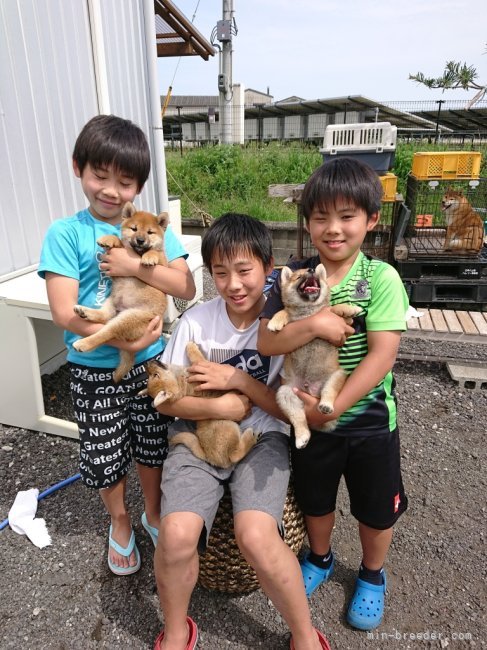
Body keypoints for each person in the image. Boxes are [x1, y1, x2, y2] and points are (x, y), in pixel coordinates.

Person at [153, 213, 331, 650]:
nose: (233, 284)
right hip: (197, 435)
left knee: (256, 534)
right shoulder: (197, 322)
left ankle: (304, 635)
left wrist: (240, 385)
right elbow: (167, 397)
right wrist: (224, 406)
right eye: (220, 272)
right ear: (209, 273)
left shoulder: (285, 327)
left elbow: (290, 410)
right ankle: (177, 630)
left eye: (245, 270)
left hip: (263, 438)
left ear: (269, 268)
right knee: (176, 535)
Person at [38, 114, 196, 575]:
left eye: (124, 181)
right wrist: (122, 333)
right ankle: (120, 521)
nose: (110, 189)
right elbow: (64, 311)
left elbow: (184, 286)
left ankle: (151, 511)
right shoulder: (65, 234)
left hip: (149, 362)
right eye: (99, 176)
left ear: (138, 187)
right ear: (78, 168)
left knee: (151, 444)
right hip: (91, 369)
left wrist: (132, 264)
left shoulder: (152, 231)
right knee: (105, 453)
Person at [258, 157, 409, 632]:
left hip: (367, 423)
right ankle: (320, 558)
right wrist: (316, 323)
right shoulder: (292, 276)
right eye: (321, 217)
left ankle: (371, 573)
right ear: (307, 222)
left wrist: (335, 407)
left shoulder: (381, 278)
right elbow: (267, 341)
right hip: (308, 412)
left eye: (347, 217)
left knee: (373, 504)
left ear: (371, 220)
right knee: (315, 498)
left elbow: (381, 356)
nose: (333, 228)